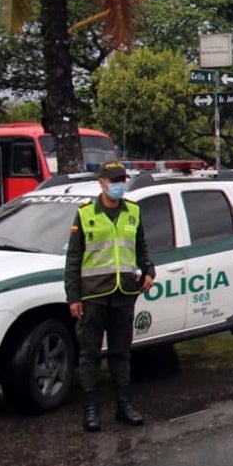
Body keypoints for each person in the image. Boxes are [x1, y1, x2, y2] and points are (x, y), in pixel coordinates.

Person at [64, 161, 155, 432]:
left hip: (124, 293)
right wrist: (73, 297)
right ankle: (91, 410)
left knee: (121, 352)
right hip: (93, 295)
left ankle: (124, 406)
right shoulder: (85, 214)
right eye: (114, 180)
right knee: (90, 353)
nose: (119, 185)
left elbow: (141, 247)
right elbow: (73, 259)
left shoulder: (133, 211)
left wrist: (149, 270)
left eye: (121, 179)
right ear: (102, 182)